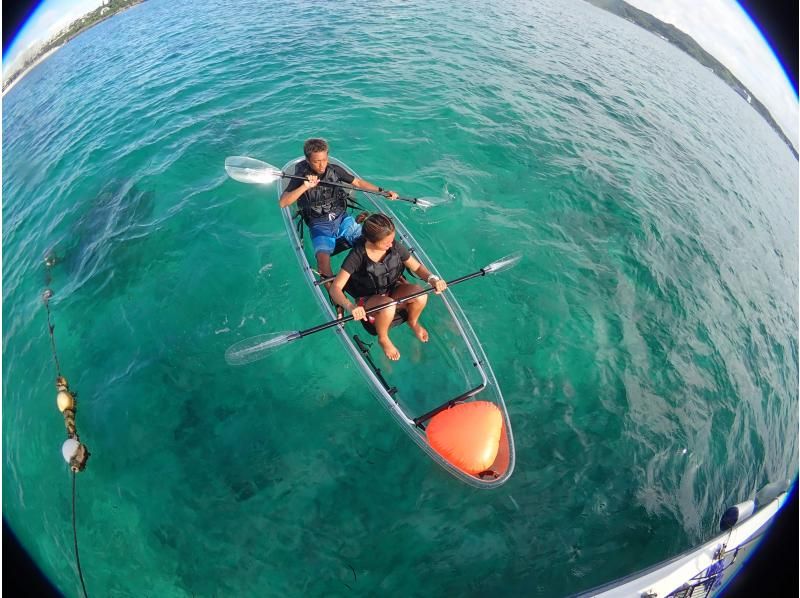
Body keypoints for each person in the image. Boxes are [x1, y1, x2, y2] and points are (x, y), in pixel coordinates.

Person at [279, 138, 399, 305]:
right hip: (319, 223)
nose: (321, 165)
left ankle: (389, 278)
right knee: (322, 261)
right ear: (307, 160)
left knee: (374, 240)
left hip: (341, 218)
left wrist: (382, 191)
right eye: (316, 162)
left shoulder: (334, 170)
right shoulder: (299, 177)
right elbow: (283, 202)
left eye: (324, 160)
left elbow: (357, 182)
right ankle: (337, 300)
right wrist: (304, 187)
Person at [329, 213, 447, 361]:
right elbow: (335, 288)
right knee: (388, 306)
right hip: (369, 299)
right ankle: (383, 338)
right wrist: (350, 307)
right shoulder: (357, 256)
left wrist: (432, 279)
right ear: (371, 241)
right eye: (386, 242)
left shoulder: (395, 246)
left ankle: (413, 322)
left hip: (392, 288)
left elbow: (417, 268)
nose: (391, 244)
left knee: (421, 294)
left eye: (392, 240)